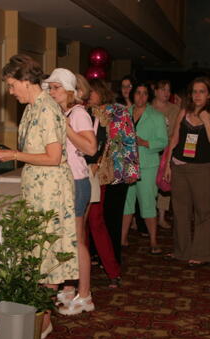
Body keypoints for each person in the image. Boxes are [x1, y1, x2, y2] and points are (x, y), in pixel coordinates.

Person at [0, 54, 78, 339]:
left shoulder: (45, 108)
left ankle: (43, 320)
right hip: (38, 189)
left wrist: (14, 155)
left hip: (50, 191)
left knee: (47, 255)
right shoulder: (32, 107)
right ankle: (41, 315)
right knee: (37, 255)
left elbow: (54, 157)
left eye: (11, 84)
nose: (10, 91)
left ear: (25, 81)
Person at [45, 68, 97, 315]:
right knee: (68, 238)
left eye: (55, 87)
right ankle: (68, 288)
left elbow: (90, 147)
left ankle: (85, 295)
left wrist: (65, 128)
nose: (51, 91)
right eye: (50, 87)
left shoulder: (78, 114)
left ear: (67, 90)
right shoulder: (64, 112)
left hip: (77, 182)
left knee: (76, 240)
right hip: (66, 182)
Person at [163, 76, 210, 267]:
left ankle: (201, 253)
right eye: (194, 91)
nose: (197, 95)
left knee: (203, 212)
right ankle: (182, 251)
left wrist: (206, 121)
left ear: (209, 94)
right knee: (180, 211)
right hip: (179, 167)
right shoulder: (184, 112)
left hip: (202, 170)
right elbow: (174, 139)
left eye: (202, 92)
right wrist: (167, 165)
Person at [88, 78, 139, 265]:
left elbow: (130, 140)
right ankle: (95, 253)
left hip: (118, 172)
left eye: (90, 92)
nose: (87, 95)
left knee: (112, 218)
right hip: (95, 173)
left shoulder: (120, 111)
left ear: (101, 92)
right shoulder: (87, 112)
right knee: (94, 218)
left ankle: (112, 259)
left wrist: (132, 171)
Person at [79, 75, 123, 288]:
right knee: (82, 225)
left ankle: (113, 271)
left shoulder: (103, 114)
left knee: (95, 222)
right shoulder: (78, 113)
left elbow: (104, 146)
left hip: (96, 174)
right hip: (81, 173)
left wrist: (95, 167)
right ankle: (82, 271)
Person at [121, 82, 168, 254]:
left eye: (145, 93)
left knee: (148, 203)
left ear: (149, 97)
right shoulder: (124, 114)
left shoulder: (156, 116)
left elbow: (163, 142)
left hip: (147, 165)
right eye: (138, 93)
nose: (141, 96)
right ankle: (123, 239)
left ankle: (153, 240)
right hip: (127, 164)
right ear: (133, 95)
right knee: (126, 204)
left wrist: (145, 143)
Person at [152, 80, 180, 229]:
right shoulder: (148, 108)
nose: (166, 93)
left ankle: (161, 217)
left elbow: (176, 132)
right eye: (163, 89)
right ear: (155, 91)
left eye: (168, 90)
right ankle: (148, 215)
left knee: (164, 183)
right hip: (149, 151)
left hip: (167, 150)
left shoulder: (174, 109)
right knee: (149, 185)